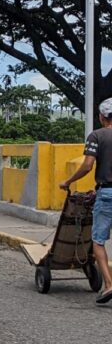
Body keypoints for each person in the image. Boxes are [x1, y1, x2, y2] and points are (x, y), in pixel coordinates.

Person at [60, 97, 112, 304]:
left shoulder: (96, 136)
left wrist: (68, 181)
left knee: (98, 241)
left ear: (101, 117)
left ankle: (109, 285)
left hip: (107, 193)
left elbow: (87, 165)